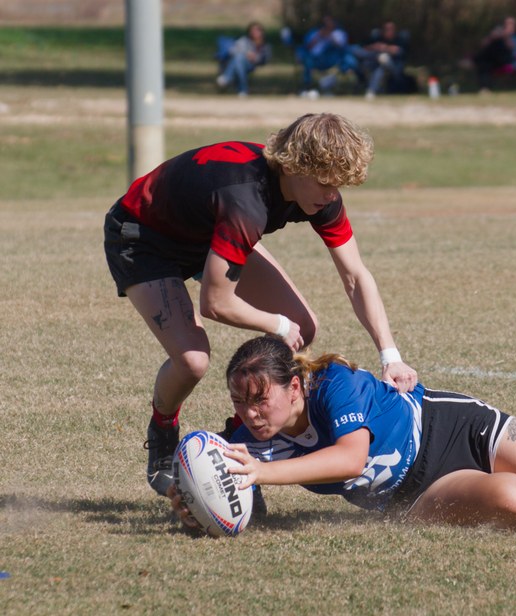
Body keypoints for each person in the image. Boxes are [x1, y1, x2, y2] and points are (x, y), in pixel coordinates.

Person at [103, 113, 418, 498]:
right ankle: (163, 429)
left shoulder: (318, 194)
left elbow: (355, 274)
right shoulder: (246, 201)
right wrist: (277, 325)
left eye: (338, 184)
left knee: (304, 325)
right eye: (325, 183)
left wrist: (390, 355)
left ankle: (238, 441)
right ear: (294, 166)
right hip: (144, 237)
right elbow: (215, 302)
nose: (332, 194)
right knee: (193, 361)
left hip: (207, 231)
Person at [171, 334, 516, 532]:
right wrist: (196, 500)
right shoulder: (247, 437)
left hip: (459, 430)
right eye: (239, 401)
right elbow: (235, 493)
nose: (249, 412)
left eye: (259, 398)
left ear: (294, 386)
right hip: (415, 496)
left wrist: (261, 473)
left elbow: (350, 459)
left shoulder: (335, 383)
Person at [295, 15, 360, 95]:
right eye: (325, 23)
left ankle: (356, 82)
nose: (328, 25)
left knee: (349, 60)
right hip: (315, 59)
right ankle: (307, 86)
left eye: (330, 23)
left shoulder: (339, 33)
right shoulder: (315, 33)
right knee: (307, 60)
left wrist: (330, 37)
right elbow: (307, 47)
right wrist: (318, 36)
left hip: (332, 59)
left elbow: (342, 47)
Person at [351, 21, 411, 99]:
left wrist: (385, 48)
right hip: (375, 62)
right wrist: (374, 47)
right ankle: (371, 91)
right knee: (355, 50)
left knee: (384, 62)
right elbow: (364, 48)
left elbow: (398, 51)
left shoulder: (399, 39)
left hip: (394, 66)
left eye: (391, 29)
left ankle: (371, 90)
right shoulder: (377, 38)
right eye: (386, 29)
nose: (389, 31)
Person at [215, 21, 272, 97]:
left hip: (251, 64)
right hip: (239, 62)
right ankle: (242, 90)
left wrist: (255, 58)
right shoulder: (244, 40)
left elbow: (265, 59)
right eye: (253, 30)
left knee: (238, 60)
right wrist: (246, 54)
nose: (255, 32)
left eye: (258, 30)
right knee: (239, 61)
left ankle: (227, 78)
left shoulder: (265, 45)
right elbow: (232, 50)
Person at [470, 16, 516, 92]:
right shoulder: (498, 36)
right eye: (507, 25)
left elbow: (512, 48)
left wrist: (505, 37)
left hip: (508, 59)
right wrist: (491, 36)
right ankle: (485, 87)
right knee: (484, 64)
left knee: (486, 59)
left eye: (511, 25)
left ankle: (475, 60)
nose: (509, 27)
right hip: (494, 59)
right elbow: (483, 45)